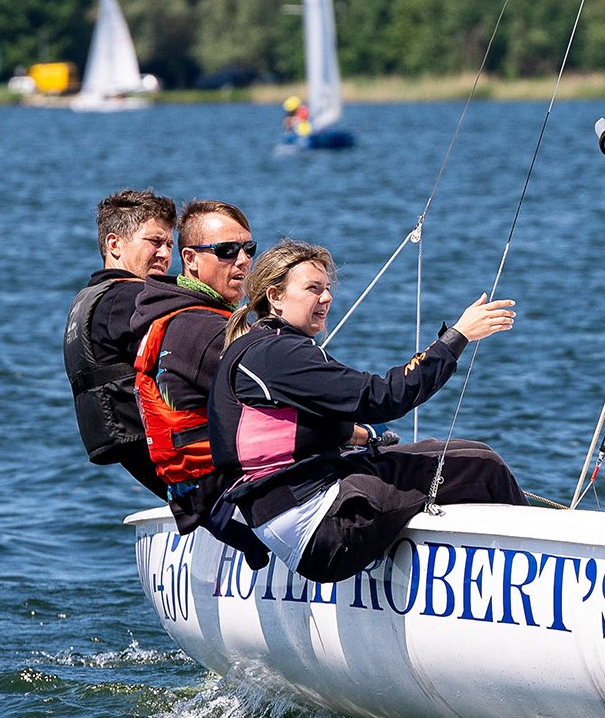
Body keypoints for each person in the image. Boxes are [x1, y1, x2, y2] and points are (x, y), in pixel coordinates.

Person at [208, 241, 525, 582]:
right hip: (320, 530)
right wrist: (455, 338)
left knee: (448, 454)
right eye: (313, 288)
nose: (326, 298)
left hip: (288, 515)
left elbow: (294, 429)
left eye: (327, 289)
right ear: (275, 296)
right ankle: (527, 574)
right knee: (482, 465)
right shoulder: (278, 355)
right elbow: (382, 398)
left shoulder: (260, 346)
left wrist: (364, 436)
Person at [131, 199, 265, 561]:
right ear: (190, 259)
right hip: (227, 498)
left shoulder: (169, 315)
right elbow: (286, 399)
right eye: (226, 251)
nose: (242, 261)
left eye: (248, 249)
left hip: (195, 500)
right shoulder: (205, 330)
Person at [64, 189, 175, 497]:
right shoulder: (129, 299)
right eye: (155, 242)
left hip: (137, 454)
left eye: (169, 244)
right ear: (114, 244)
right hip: (174, 459)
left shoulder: (90, 299)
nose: (166, 254)